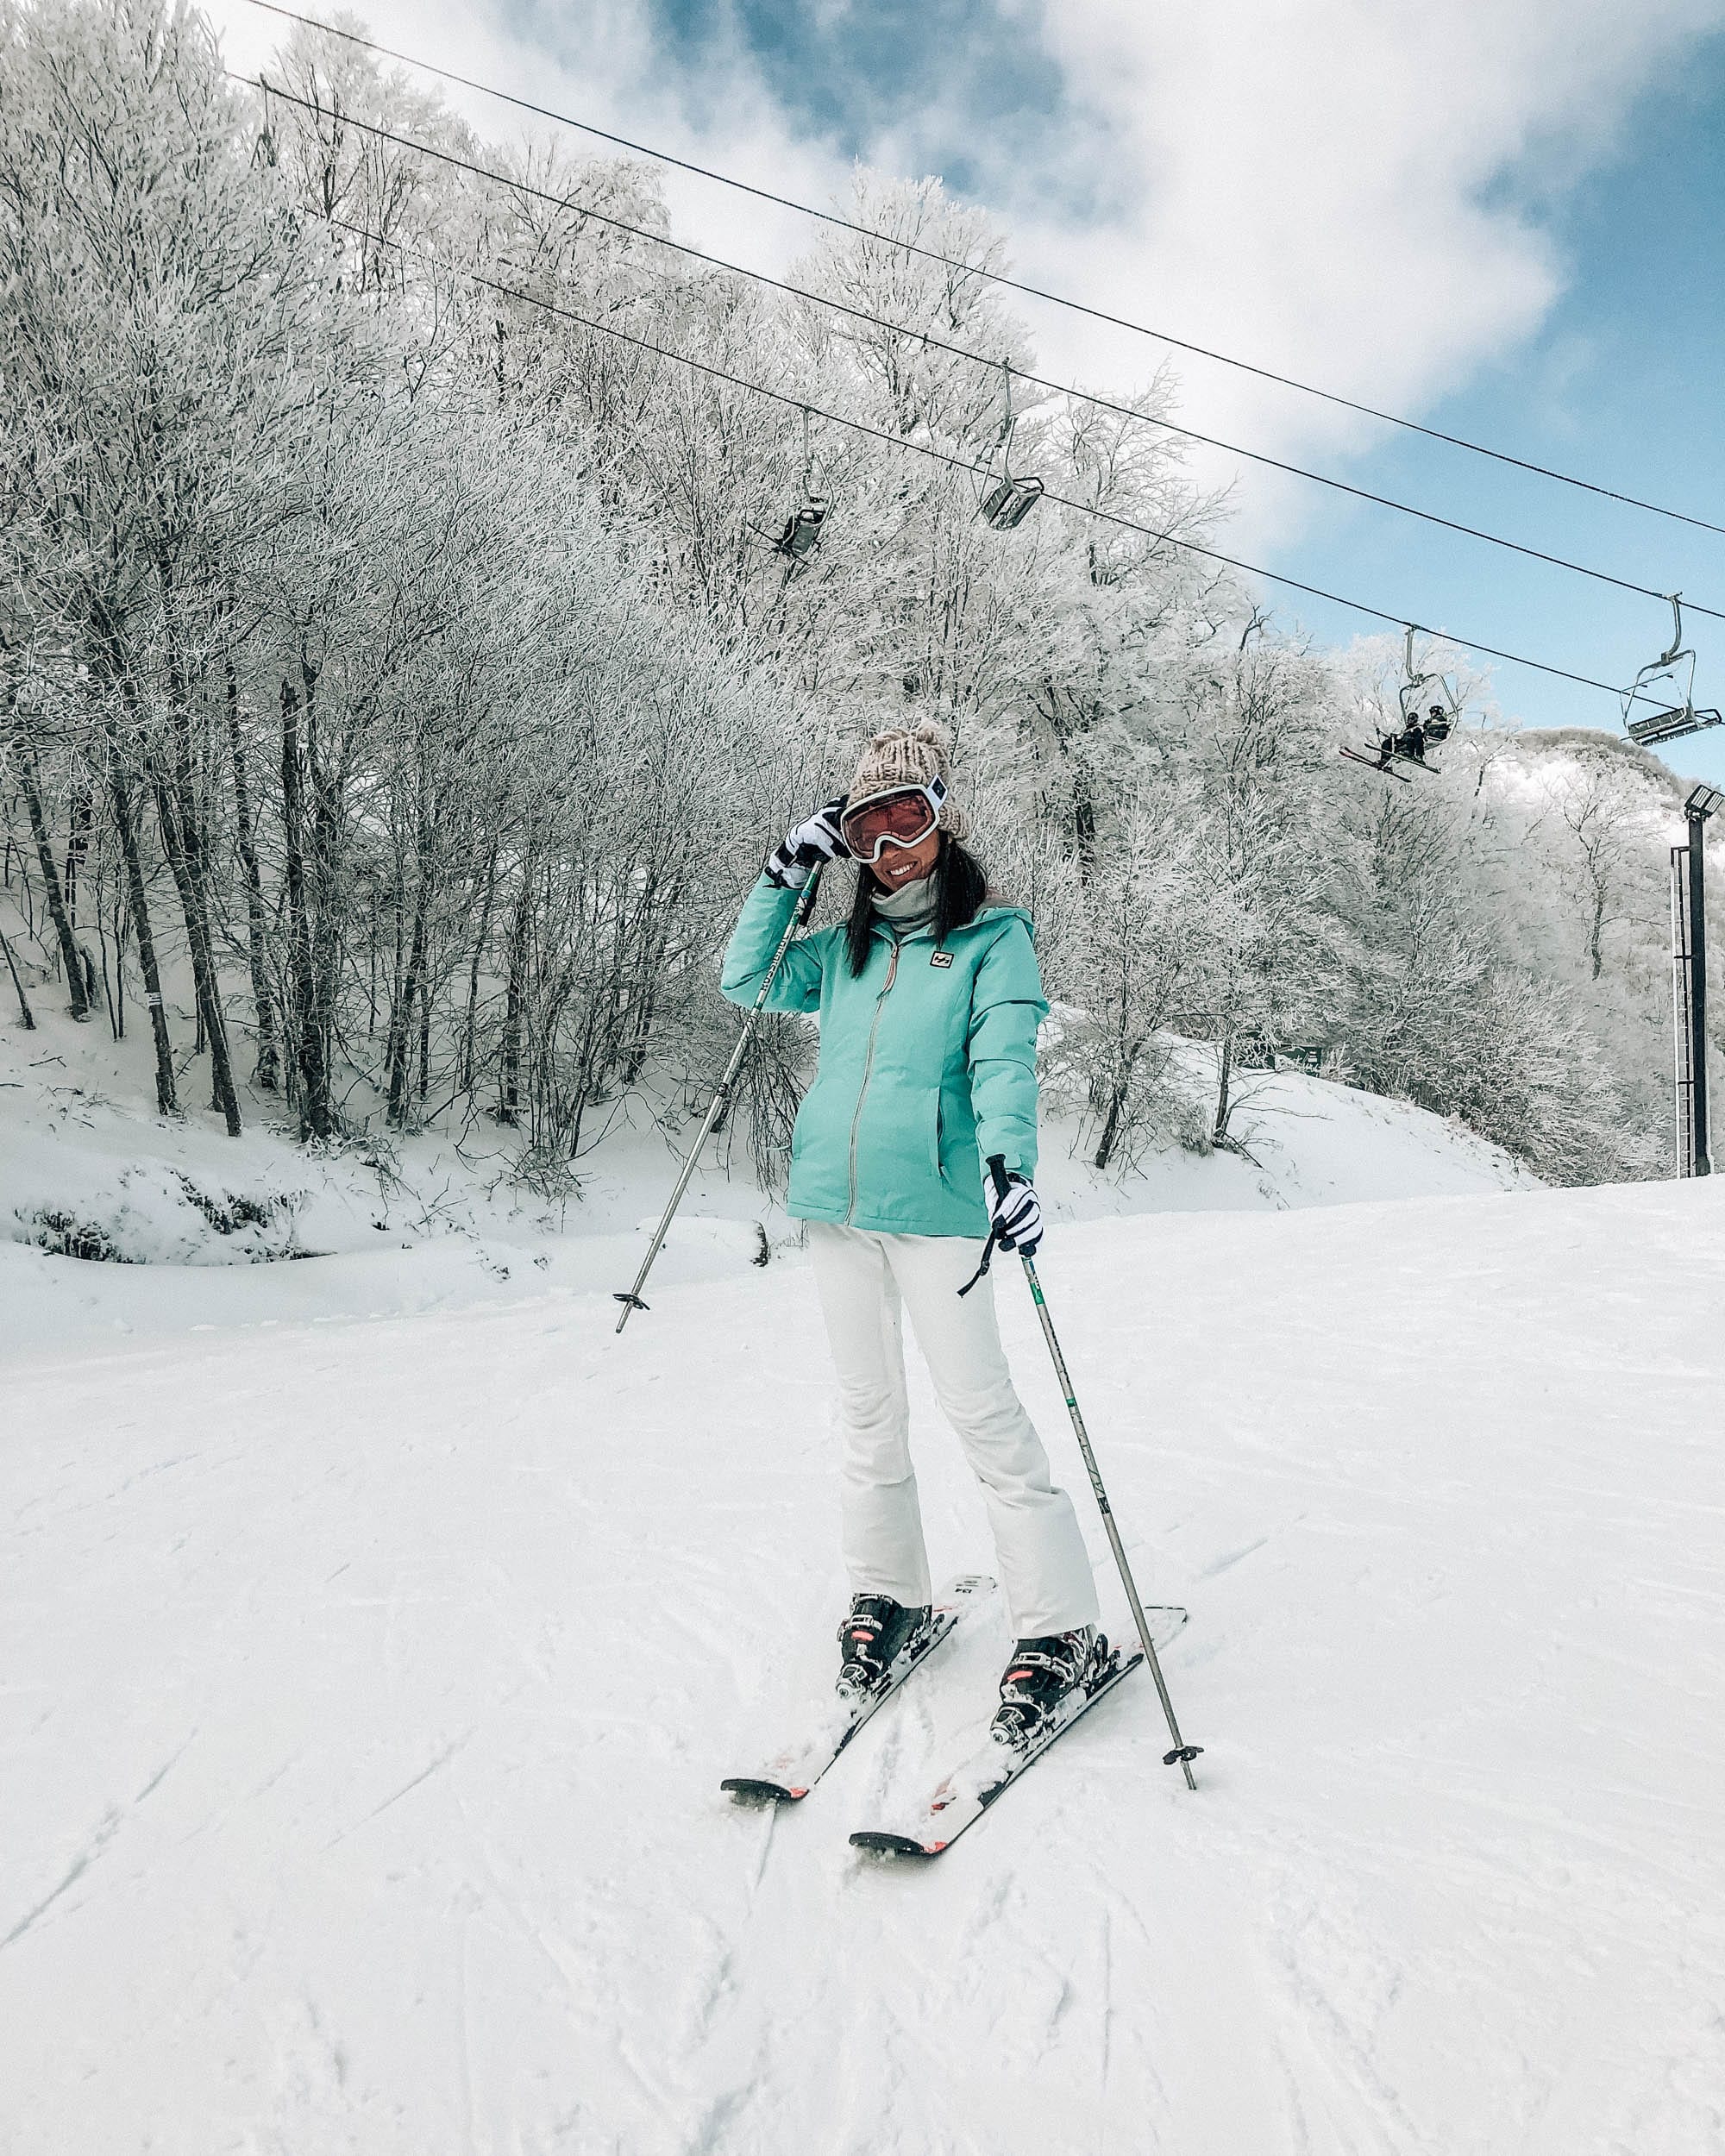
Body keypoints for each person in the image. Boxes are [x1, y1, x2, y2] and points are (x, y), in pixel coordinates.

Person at [720, 720, 1103, 1747]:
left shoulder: (993, 938)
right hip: (835, 1211)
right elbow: (741, 979)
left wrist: (1009, 1165)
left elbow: (1003, 1060)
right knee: (866, 1417)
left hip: (939, 1217)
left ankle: (1060, 1628)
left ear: (942, 820)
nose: (892, 841)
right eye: (866, 825)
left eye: (908, 815)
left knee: (983, 1417)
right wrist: (778, 875)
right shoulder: (839, 949)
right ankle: (888, 1597)